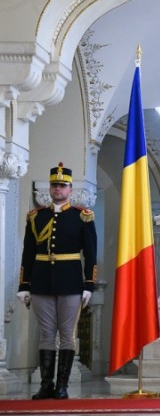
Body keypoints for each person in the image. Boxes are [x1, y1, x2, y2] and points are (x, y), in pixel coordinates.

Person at [17, 162, 97, 400]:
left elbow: (91, 254)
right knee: (46, 333)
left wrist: (89, 284)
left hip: (70, 282)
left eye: (62, 186)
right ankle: (46, 385)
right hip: (41, 281)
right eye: (54, 185)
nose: (58, 189)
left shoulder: (82, 217)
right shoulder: (36, 217)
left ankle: (62, 386)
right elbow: (28, 253)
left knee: (67, 334)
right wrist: (24, 284)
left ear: (70, 189)